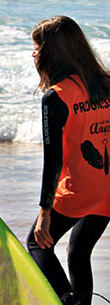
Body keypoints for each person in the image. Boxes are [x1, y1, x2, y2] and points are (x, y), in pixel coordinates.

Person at [26, 16, 110, 305]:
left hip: (80, 188)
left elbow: (53, 161)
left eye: (36, 48)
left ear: (50, 53)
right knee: (78, 251)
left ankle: (69, 302)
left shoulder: (56, 97)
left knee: (37, 243)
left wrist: (44, 212)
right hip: (107, 188)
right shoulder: (106, 84)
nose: (34, 54)